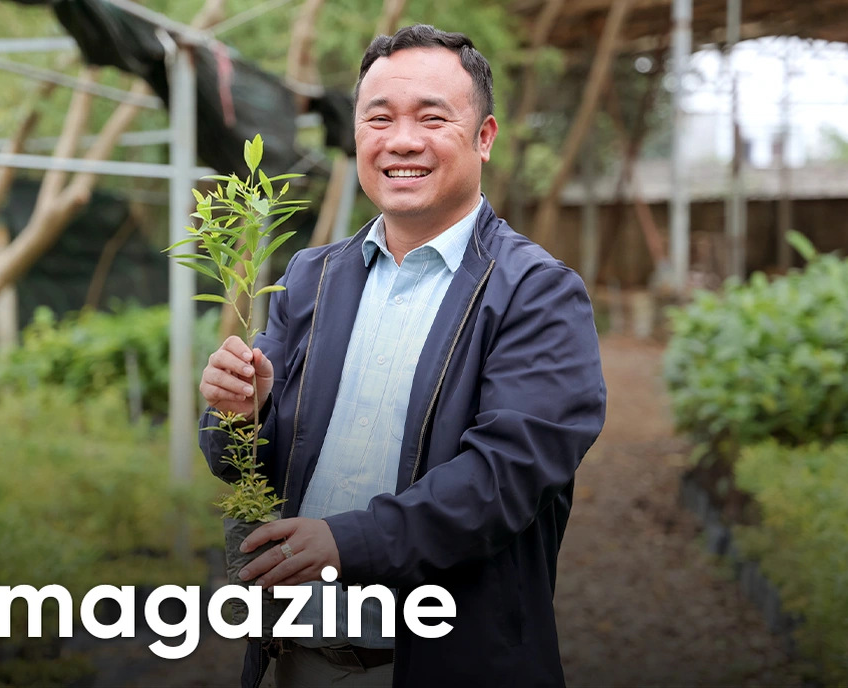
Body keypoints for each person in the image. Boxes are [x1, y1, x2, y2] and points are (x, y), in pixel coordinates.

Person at [199, 24, 606, 688]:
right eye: (378, 118)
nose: (402, 141)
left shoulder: (536, 293)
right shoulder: (312, 277)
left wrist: (347, 541)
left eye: (432, 117)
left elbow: (506, 477)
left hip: (447, 662)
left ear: (485, 137)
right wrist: (242, 410)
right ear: (356, 135)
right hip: (298, 659)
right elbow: (244, 462)